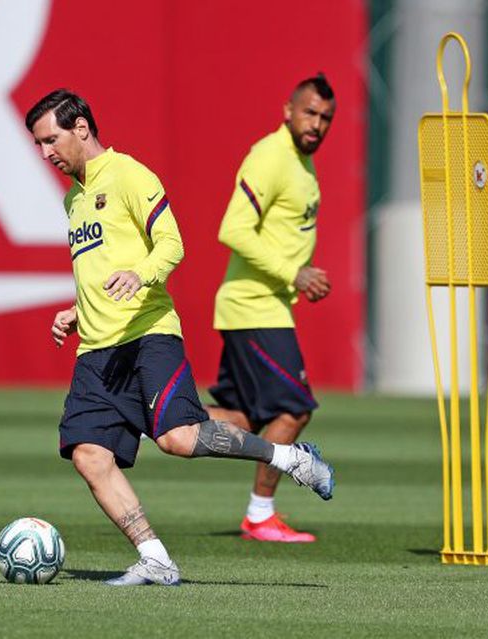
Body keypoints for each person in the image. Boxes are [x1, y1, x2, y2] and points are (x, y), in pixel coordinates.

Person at [25, 88, 334, 586]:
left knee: (178, 438)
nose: (46, 153)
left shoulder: (130, 175)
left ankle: (291, 459)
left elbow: (172, 243)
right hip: (97, 349)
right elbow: (100, 268)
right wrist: (77, 310)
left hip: (148, 334)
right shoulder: (74, 198)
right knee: (88, 454)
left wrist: (142, 275)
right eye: (39, 145)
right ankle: (156, 559)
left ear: (81, 127)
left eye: (50, 140)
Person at [206, 74, 337, 543]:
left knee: (241, 420)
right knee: (295, 408)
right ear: (287, 110)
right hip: (254, 305)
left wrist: (296, 272)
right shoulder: (271, 156)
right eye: (309, 113)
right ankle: (260, 514)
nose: (317, 124)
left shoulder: (301, 163)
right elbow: (234, 229)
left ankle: (149, 414)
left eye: (325, 118)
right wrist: (293, 272)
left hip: (265, 303)